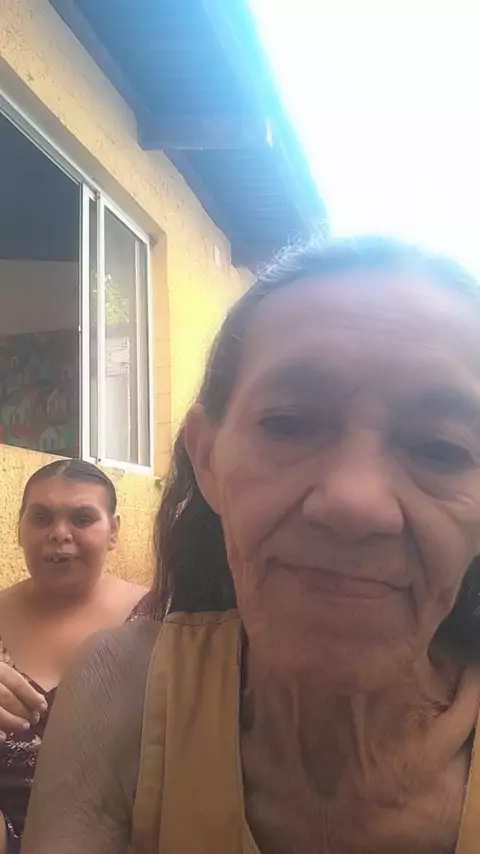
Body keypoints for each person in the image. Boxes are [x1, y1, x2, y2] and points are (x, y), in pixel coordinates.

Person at [21, 236, 480, 854]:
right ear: (208, 459)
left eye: (441, 449)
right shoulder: (123, 689)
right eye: (288, 424)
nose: (356, 503)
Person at [0, 459, 149, 853]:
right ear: (19, 528)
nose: (59, 534)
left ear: (113, 530)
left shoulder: (161, 622)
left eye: (82, 518)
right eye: (41, 517)